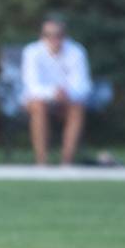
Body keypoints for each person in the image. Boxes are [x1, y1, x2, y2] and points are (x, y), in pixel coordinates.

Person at [21, 15, 92, 165]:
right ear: (42, 36)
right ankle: (42, 160)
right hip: (39, 100)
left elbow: (83, 84)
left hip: (67, 100)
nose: (53, 39)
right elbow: (31, 85)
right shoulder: (31, 52)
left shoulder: (76, 52)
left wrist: (67, 93)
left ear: (64, 35)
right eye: (48, 35)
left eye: (58, 35)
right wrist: (53, 93)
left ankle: (66, 160)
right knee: (39, 107)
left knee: (77, 108)